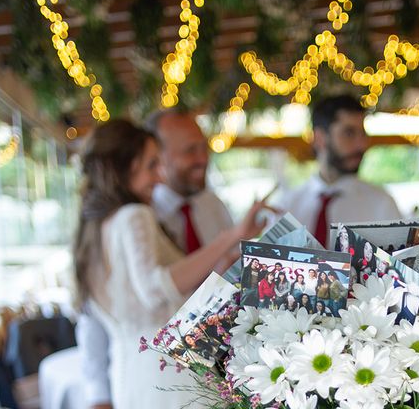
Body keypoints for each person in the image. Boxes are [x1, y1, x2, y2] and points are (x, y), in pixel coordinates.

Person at [77, 108, 273, 408]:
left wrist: (222, 267)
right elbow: (154, 290)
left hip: (129, 378)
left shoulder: (94, 228)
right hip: (170, 375)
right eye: (151, 165)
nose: (159, 175)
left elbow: (138, 299)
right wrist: (230, 237)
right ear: (125, 168)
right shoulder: (135, 215)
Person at [276, 95, 402, 248]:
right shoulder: (286, 207)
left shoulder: (382, 204)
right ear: (320, 138)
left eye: (363, 134)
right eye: (349, 133)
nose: (361, 145)